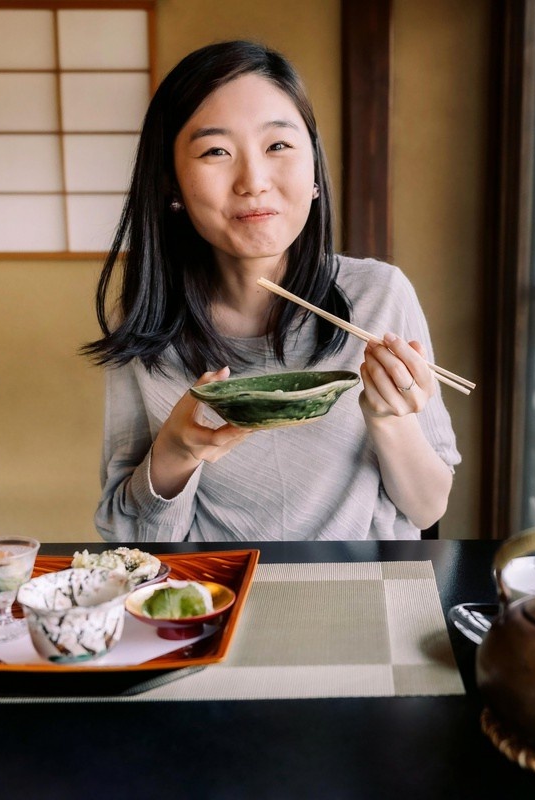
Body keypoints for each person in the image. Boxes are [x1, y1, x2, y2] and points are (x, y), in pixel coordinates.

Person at [83, 40, 460, 542]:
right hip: (216, 597)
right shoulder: (152, 324)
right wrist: (175, 452)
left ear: (314, 175)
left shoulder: (380, 295)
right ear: (171, 183)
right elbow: (130, 539)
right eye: (216, 151)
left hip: (362, 597)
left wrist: (389, 420)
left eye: (278, 146)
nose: (253, 181)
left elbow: (428, 508)